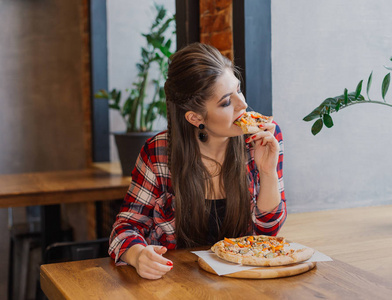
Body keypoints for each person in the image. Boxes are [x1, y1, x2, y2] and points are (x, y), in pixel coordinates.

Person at [109, 43, 287, 279]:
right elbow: (125, 227)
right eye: (226, 102)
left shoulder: (263, 140)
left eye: (239, 90)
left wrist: (267, 173)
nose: (243, 105)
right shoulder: (158, 152)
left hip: (242, 283)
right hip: (173, 284)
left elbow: (269, 233)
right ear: (195, 117)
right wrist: (138, 255)